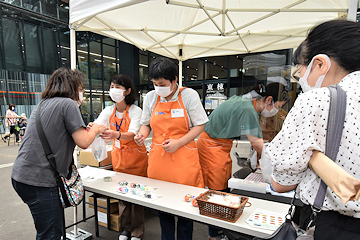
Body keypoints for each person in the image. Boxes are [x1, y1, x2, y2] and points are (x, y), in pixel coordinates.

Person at [266, 19, 360, 239]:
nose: (301, 80)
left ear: (320, 64)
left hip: (338, 227)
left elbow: (281, 184)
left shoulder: (317, 100)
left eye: (300, 72)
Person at [11, 68, 107, 239]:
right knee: (51, 234)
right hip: (40, 181)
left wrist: (87, 132)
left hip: (21, 176)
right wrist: (97, 129)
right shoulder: (67, 104)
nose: (81, 92)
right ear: (72, 87)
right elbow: (84, 142)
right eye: (80, 88)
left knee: (48, 228)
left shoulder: (43, 104)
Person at [197, 82, 285, 240]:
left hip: (221, 145)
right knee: (217, 189)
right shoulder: (247, 108)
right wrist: (277, 161)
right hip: (211, 146)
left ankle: (219, 227)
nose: (276, 111)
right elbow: (257, 143)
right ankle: (213, 234)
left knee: (224, 185)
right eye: (278, 106)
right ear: (269, 100)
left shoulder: (247, 102)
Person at [134, 57, 208, 240]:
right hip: (160, 159)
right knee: (162, 207)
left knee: (185, 209)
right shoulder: (151, 97)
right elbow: (145, 124)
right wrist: (142, 135)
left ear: (175, 80)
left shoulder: (189, 95)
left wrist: (178, 143)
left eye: (162, 83)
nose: (158, 88)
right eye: (154, 84)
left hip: (184, 159)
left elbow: (200, 126)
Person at [93, 74, 148, 240]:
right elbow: (98, 124)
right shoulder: (108, 110)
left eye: (118, 87)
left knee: (137, 195)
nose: (113, 90)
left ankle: (137, 231)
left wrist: (115, 134)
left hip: (136, 159)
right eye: (112, 86)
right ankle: (125, 229)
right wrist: (93, 127)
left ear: (127, 91)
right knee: (122, 194)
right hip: (119, 158)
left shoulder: (135, 111)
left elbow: (131, 134)